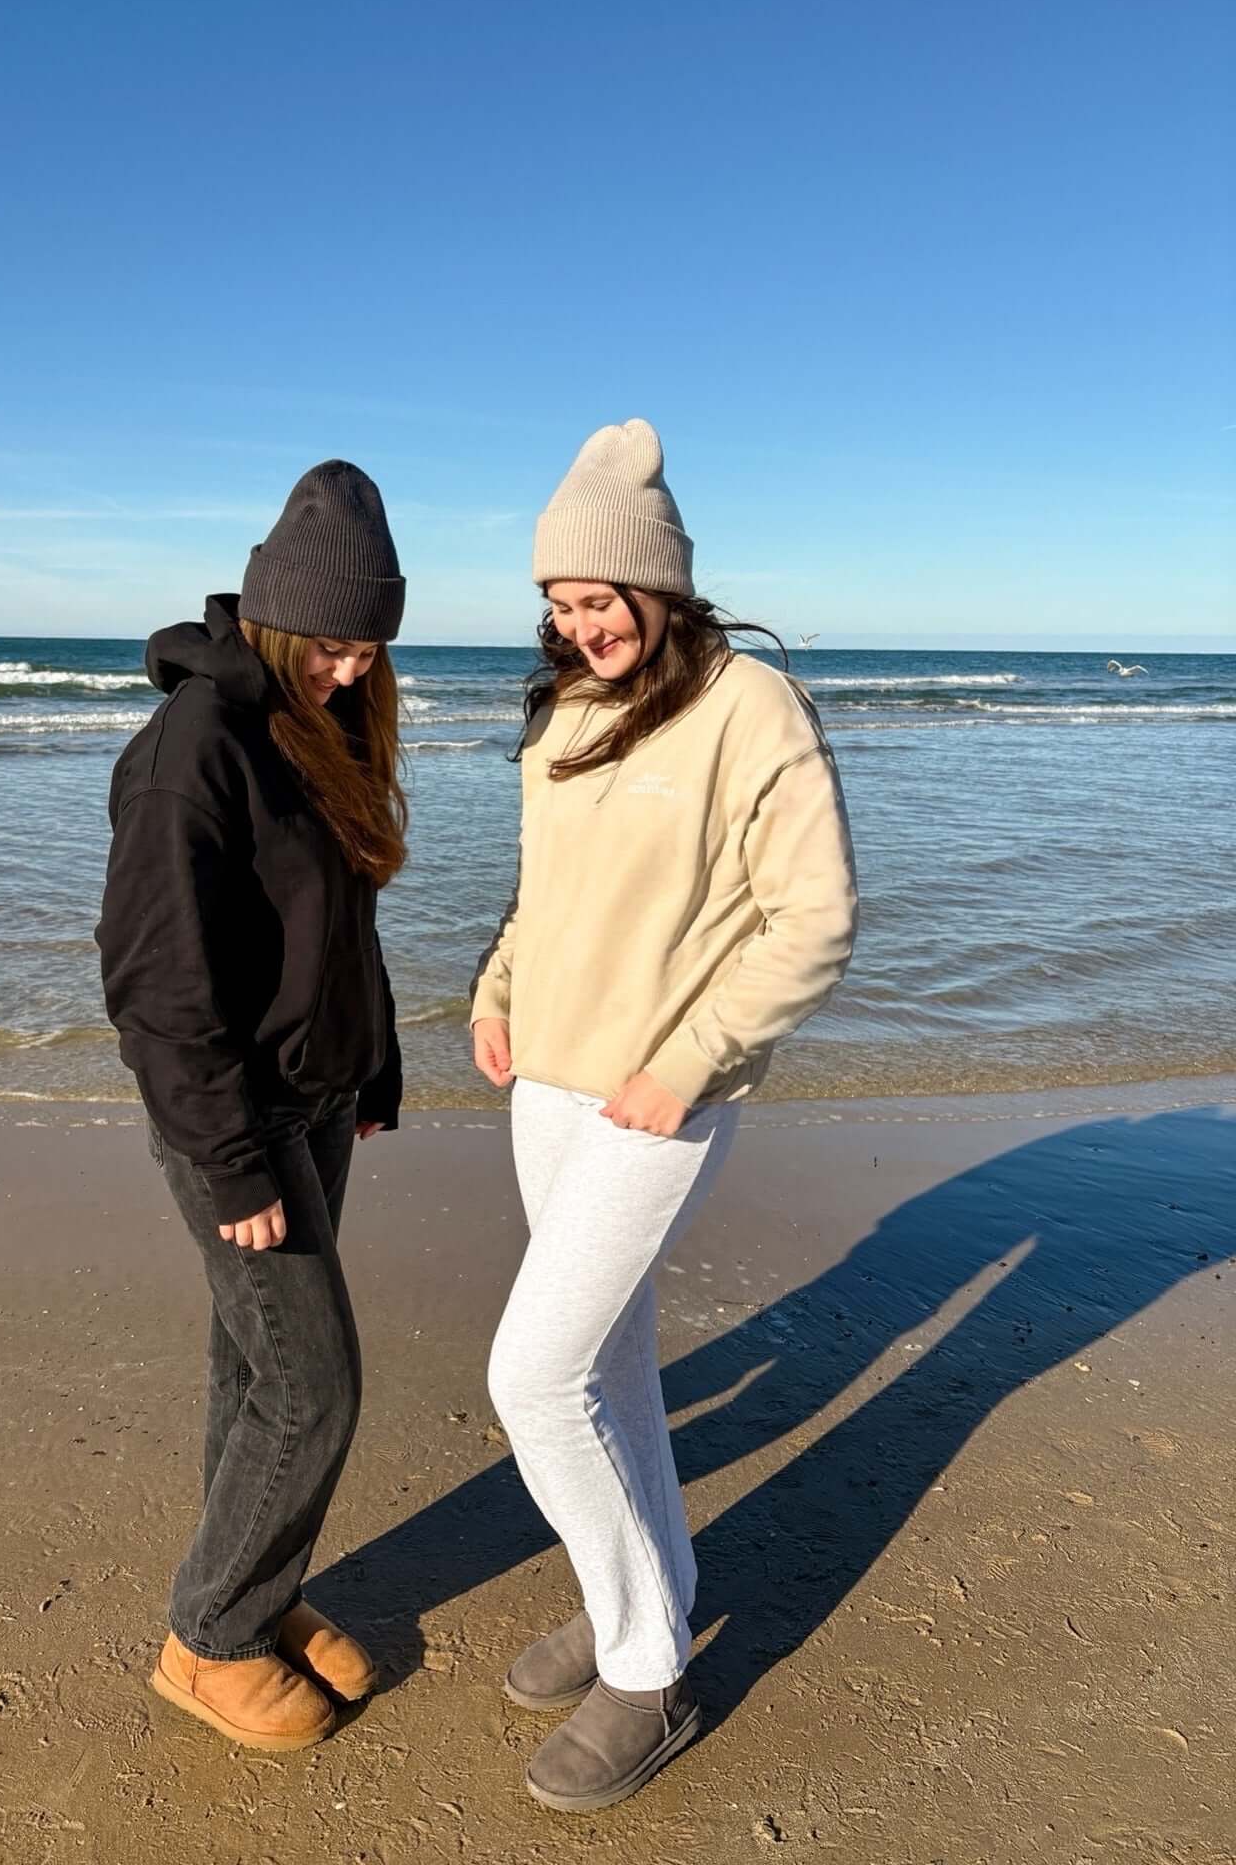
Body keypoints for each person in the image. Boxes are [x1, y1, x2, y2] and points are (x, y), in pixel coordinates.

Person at [470, 420, 858, 1812]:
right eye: (560, 605)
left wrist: (690, 1062)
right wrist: (496, 988)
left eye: (600, 599)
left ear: (660, 585)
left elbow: (814, 920)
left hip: (656, 1100)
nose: (582, 628)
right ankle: (630, 1592)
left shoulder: (753, 709)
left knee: (533, 1377)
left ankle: (648, 1670)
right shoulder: (567, 710)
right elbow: (542, 889)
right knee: (608, 1366)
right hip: (548, 1084)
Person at [97, 461, 408, 1752]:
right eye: (330, 645)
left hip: (317, 1098)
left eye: (369, 648)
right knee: (314, 1389)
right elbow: (155, 986)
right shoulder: (194, 753)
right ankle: (209, 1639)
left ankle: (255, 1594)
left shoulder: (319, 725)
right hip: (235, 1119)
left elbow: (340, 927)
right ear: (276, 618)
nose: (349, 670)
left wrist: (374, 1063)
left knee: (254, 1367)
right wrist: (231, 1165)